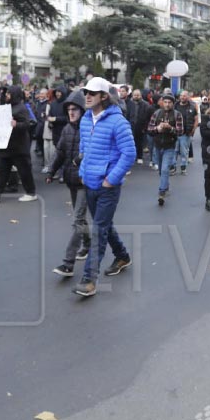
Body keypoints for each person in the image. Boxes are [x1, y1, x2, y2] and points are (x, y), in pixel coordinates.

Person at [73, 77, 135, 297]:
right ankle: (122, 255)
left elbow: (129, 154)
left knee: (98, 229)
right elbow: (84, 149)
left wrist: (112, 179)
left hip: (108, 186)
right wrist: (82, 173)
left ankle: (89, 279)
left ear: (104, 96)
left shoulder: (118, 122)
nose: (87, 96)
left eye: (92, 93)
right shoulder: (85, 119)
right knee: (104, 225)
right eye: (85, 92)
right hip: (89, 182)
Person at [49, 90, 91, 276]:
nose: (71, 112)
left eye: (75, 109)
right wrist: (51, 171)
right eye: (69, 109)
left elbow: (92, 150)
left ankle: (68, 263)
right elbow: (60, 153)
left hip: (86, 180)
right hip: (71, 179)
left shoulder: (90, 128)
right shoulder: (66, 129)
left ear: (82, 110)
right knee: (80, 218)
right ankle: (89, 244)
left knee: (77, 219)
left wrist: (81, 160)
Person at [0, 85, 38, 203]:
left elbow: (27, 124)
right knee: (0, 171)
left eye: (9, 94)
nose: (7, 96)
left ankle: (31, 193)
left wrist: (16, 124)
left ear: (15, 95)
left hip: (19, 147)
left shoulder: (21, 108)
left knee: (24, 171)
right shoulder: (7, 107)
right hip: (7, 146)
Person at [147, 92, 184, 206]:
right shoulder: (157, 113)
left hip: (169, 146)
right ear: (162, 102)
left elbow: (180, 131)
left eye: (169, 102)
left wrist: (170, 128)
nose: (167, 104)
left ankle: (161, 192)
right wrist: (158, 128)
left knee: (164, 169)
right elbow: (149, 129)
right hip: (157, 145)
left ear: (173, 103)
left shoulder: (177, 114)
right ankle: (165, 184)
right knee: (160, 170)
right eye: (165, 102)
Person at [174, 90, 199, 176]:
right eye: (181, 95)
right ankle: (173, 167)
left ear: (188, 97)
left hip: (186, 133)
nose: (182, 97)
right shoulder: (175, 105)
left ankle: (183, 167)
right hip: (175, 133)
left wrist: (193, 130)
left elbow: (196, 119)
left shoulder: (192, 106)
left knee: (184, 152)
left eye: (184, 96)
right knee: (175, 150)